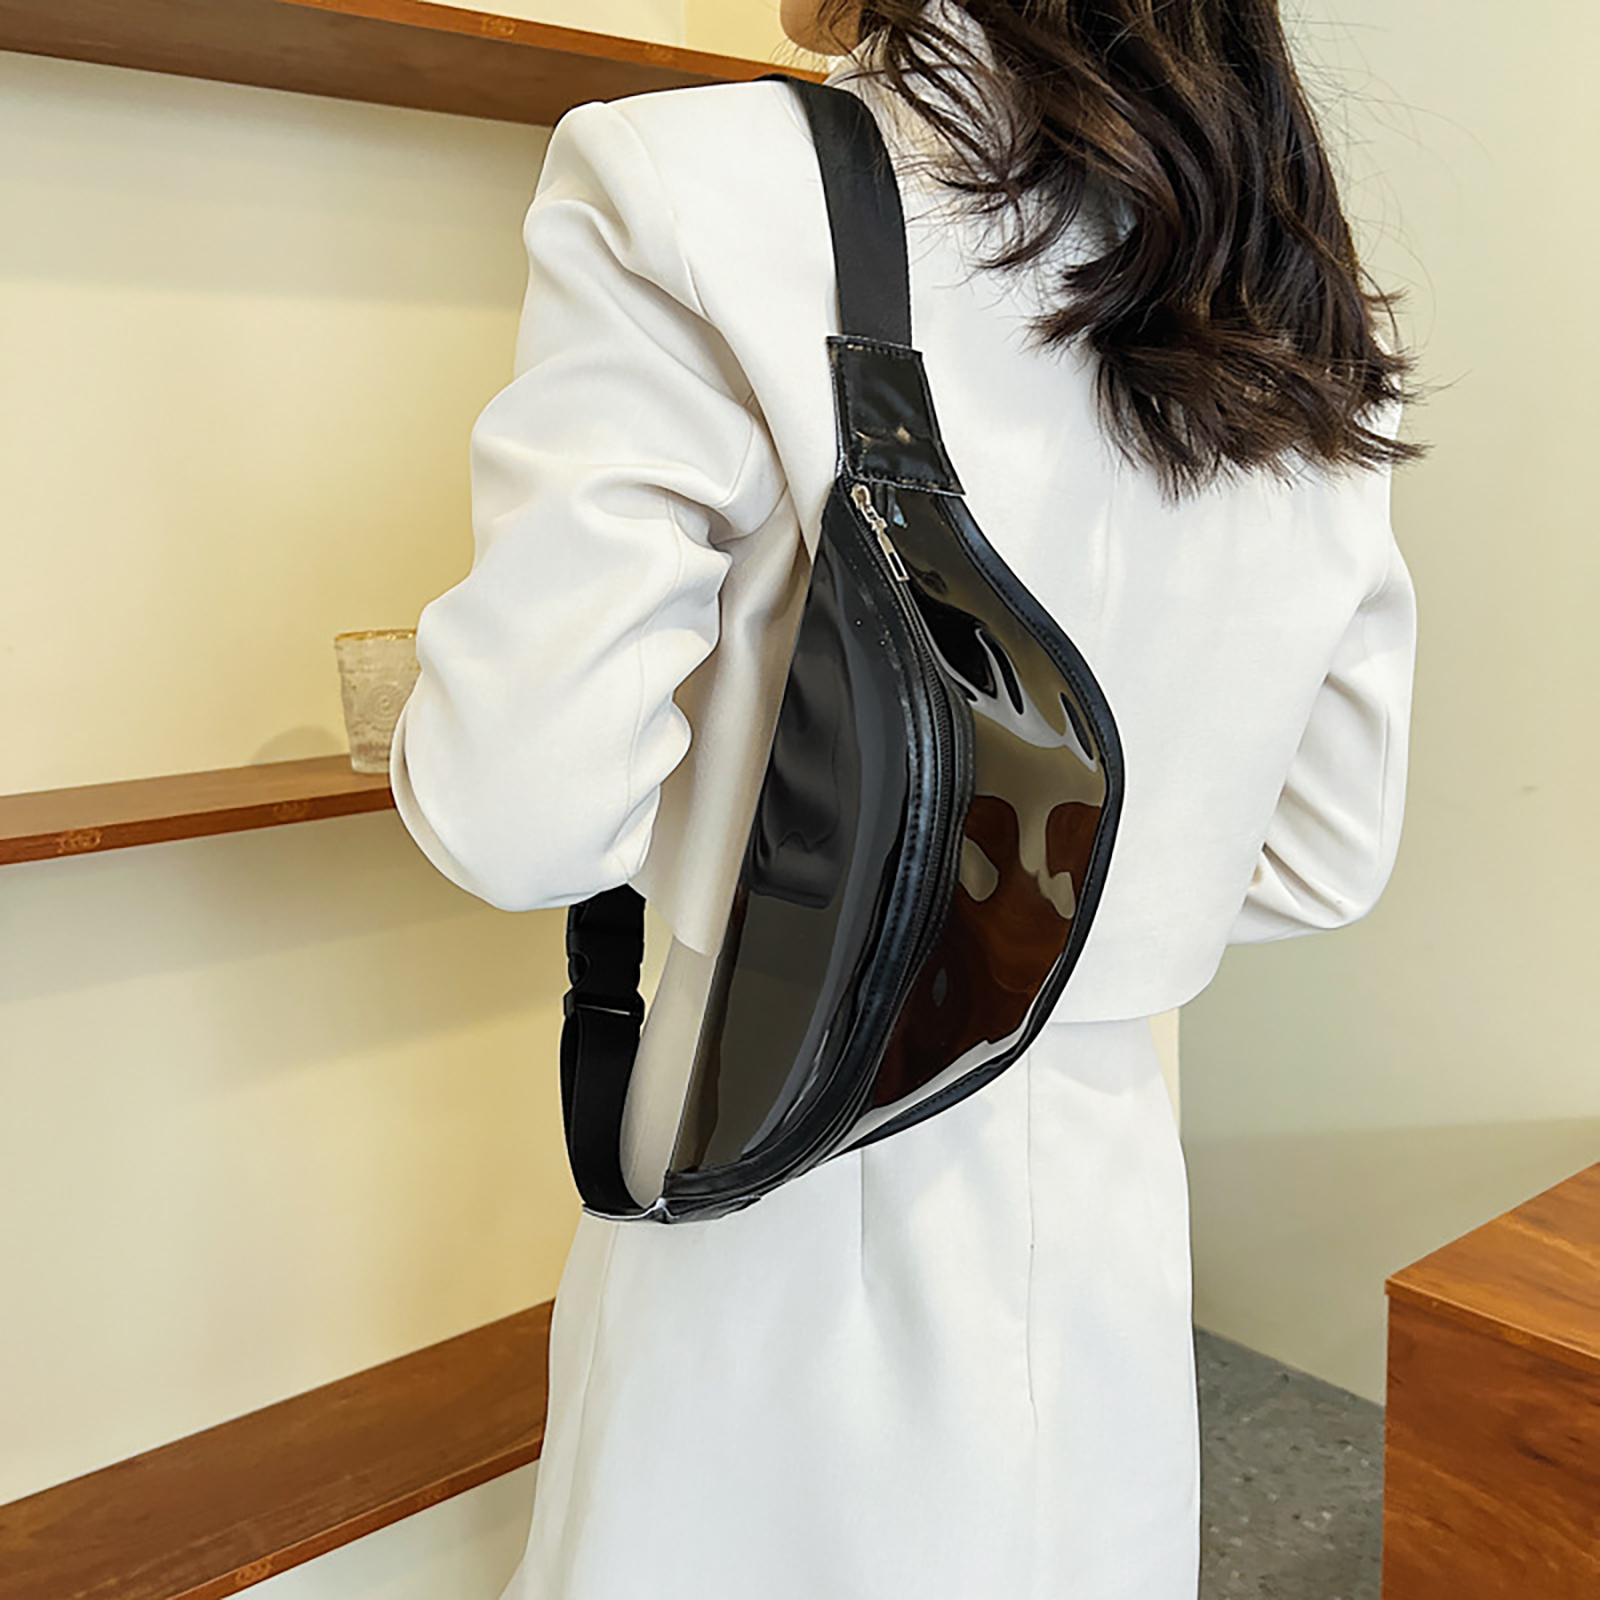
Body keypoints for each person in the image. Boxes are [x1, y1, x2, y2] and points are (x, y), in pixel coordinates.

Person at [390, 2, 1419, 1595]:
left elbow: (514, 816)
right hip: (1109, 1198)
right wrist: (1090, 936)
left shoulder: (690, 180)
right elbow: (1329, 854)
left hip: (775, 1158)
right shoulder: (1289, 288)